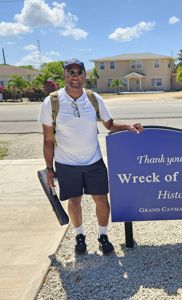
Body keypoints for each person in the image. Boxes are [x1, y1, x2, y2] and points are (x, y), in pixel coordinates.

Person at [38, 58, 143, 255]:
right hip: (66, 163)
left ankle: (103, 235)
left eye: (79, 72)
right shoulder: (51, 102)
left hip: (93, 161)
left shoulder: (94, 99)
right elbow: (47, 139)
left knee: (101, 199)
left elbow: (109, 124)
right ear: (65, 76)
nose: (74, 76)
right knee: (74, 201)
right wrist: (49, 169)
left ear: (84, 76)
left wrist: (129, 126)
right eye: (70, 72)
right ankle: (79, 236)